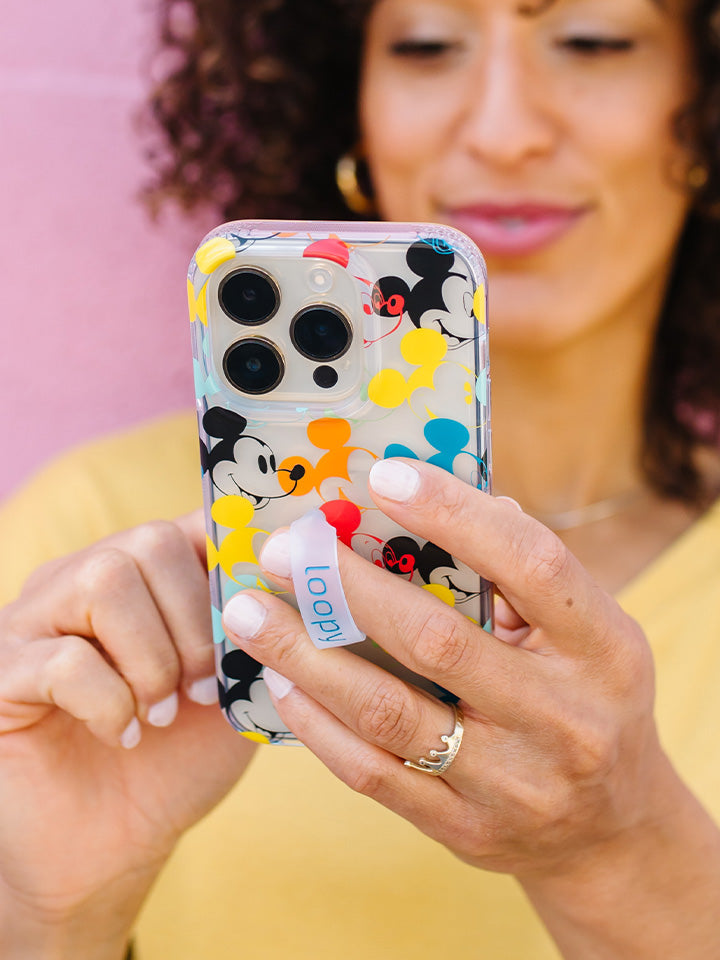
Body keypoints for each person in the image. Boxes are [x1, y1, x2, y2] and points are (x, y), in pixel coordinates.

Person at [1, 0, 719, 957]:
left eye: (593, 41)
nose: (503, 131)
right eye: (426, 46)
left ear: (703, 106)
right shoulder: (96, 546)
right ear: (356, 116)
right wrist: (44, 918)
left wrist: (618, 849)